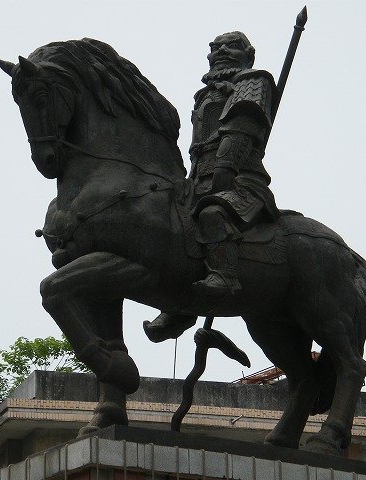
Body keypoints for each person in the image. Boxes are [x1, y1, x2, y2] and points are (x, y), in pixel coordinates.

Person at [144, 31, 280, 342]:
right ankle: (179, 303)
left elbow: (242, 125)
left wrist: (225, 166)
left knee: (213, 213)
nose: (221, 52)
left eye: (231, 46)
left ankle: (225, 276)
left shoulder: (254, 80)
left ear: (248, 54)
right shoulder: (204, 95)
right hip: (197, 179)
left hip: (241, 178)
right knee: (169, 224)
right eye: (215, 47)